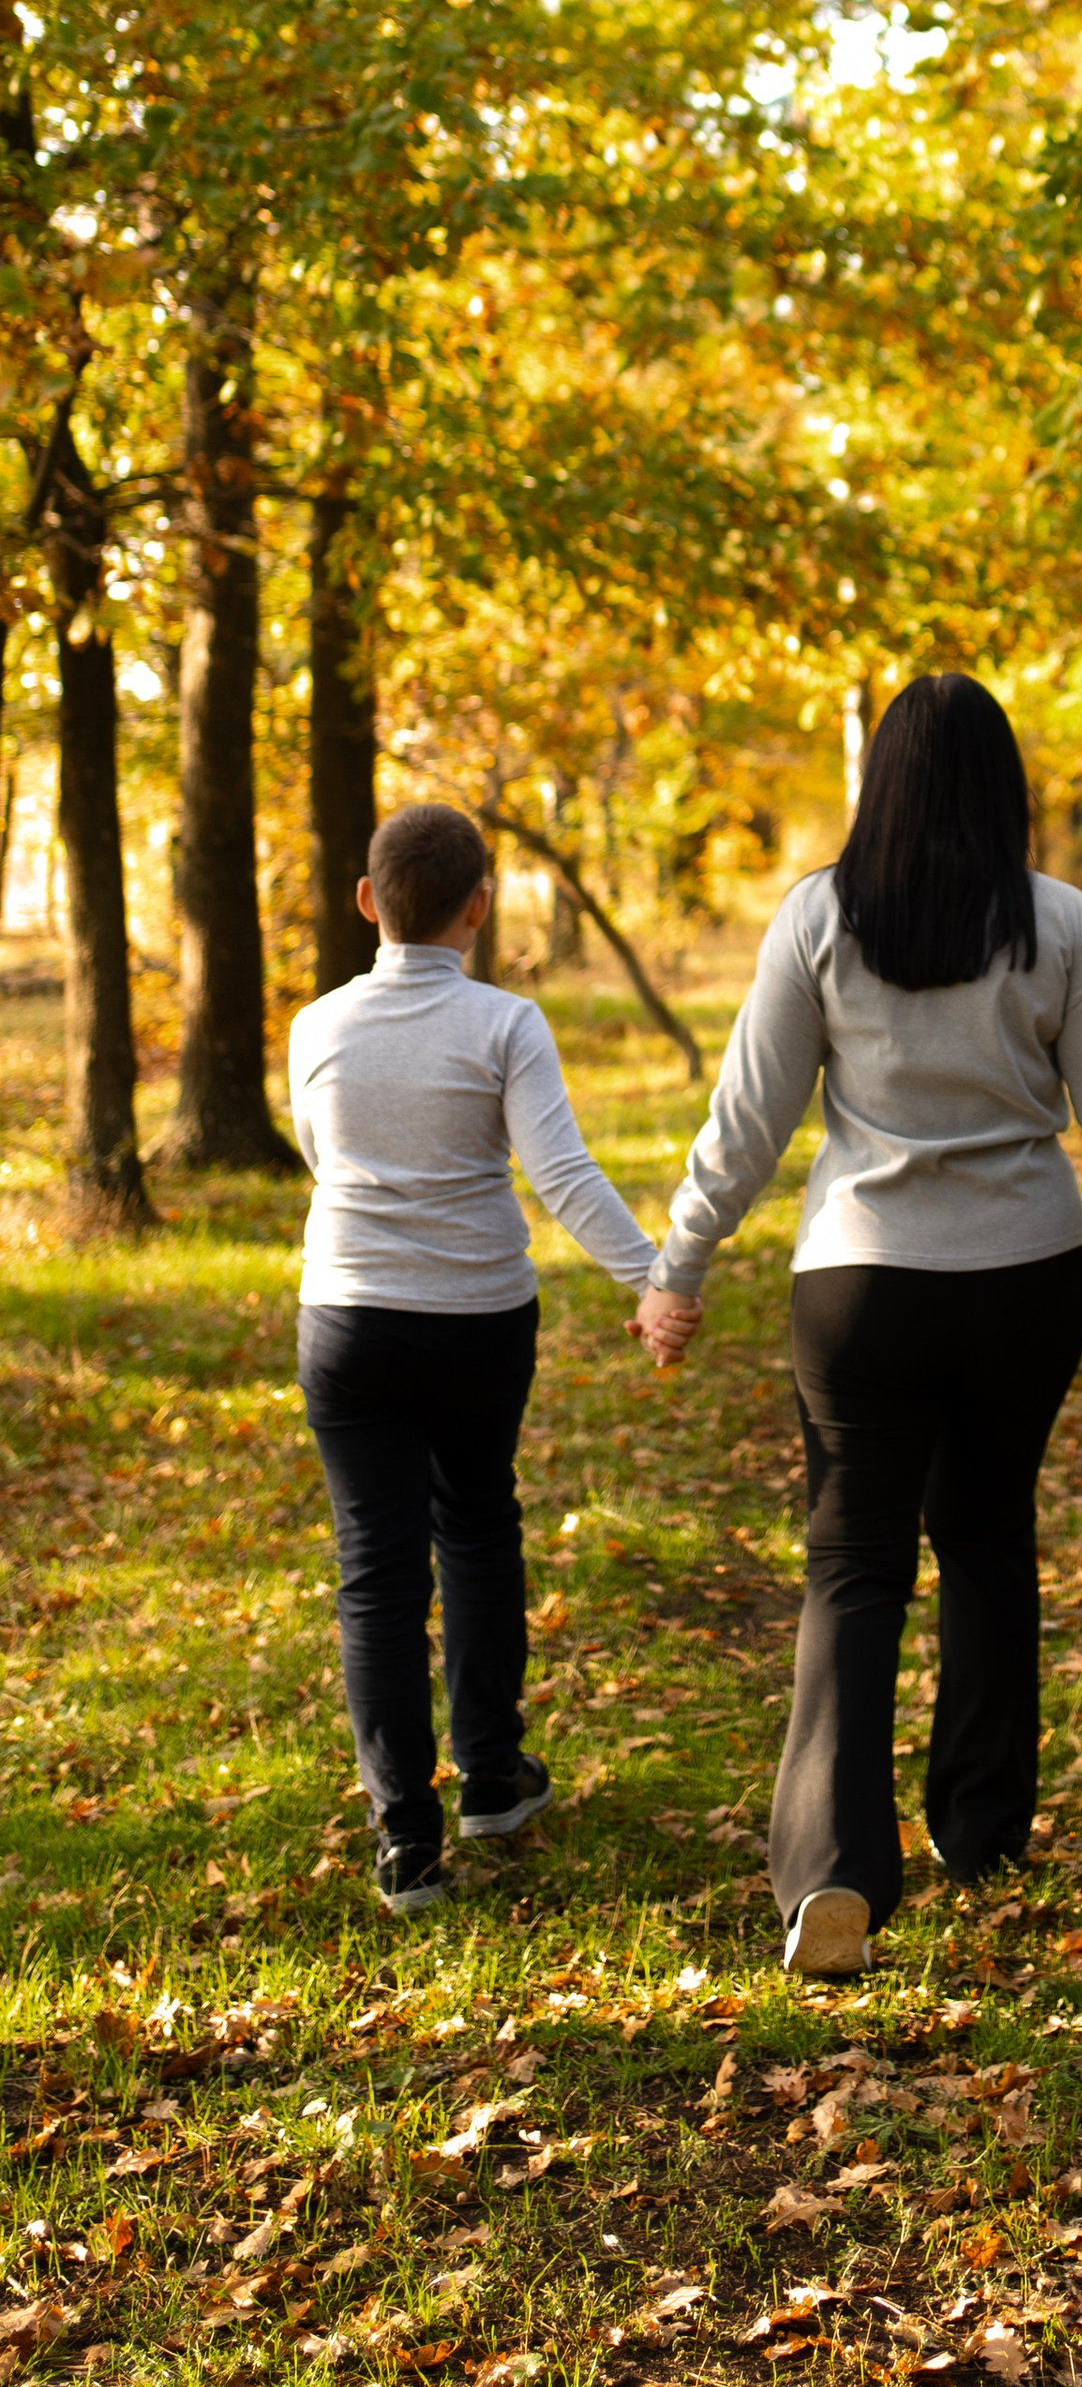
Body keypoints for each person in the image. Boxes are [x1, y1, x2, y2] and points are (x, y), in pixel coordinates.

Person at [634, 673, 1082, 1979]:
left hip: (861, 1290)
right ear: (1005, 790)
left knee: (852, 1567)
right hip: (1022, 1281)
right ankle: (980, 1835)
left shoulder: (819, 918)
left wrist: (676, 1270)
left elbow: (746, 1120)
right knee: (988, 1542)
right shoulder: (1056, 927)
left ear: (881, 784)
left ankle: (831, 1870)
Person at [292, 801, 666, 1915]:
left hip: (349, 1321)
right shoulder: (507, 1025)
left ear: (367, 901)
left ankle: (405, 1833)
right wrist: (649, 1279)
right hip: (476, 1322)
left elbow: (323, 1154)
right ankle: (493, 1779)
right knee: (477, 1527)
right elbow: (559, 1175)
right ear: (479, 905)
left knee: (377, 1568)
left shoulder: (315, 1027)